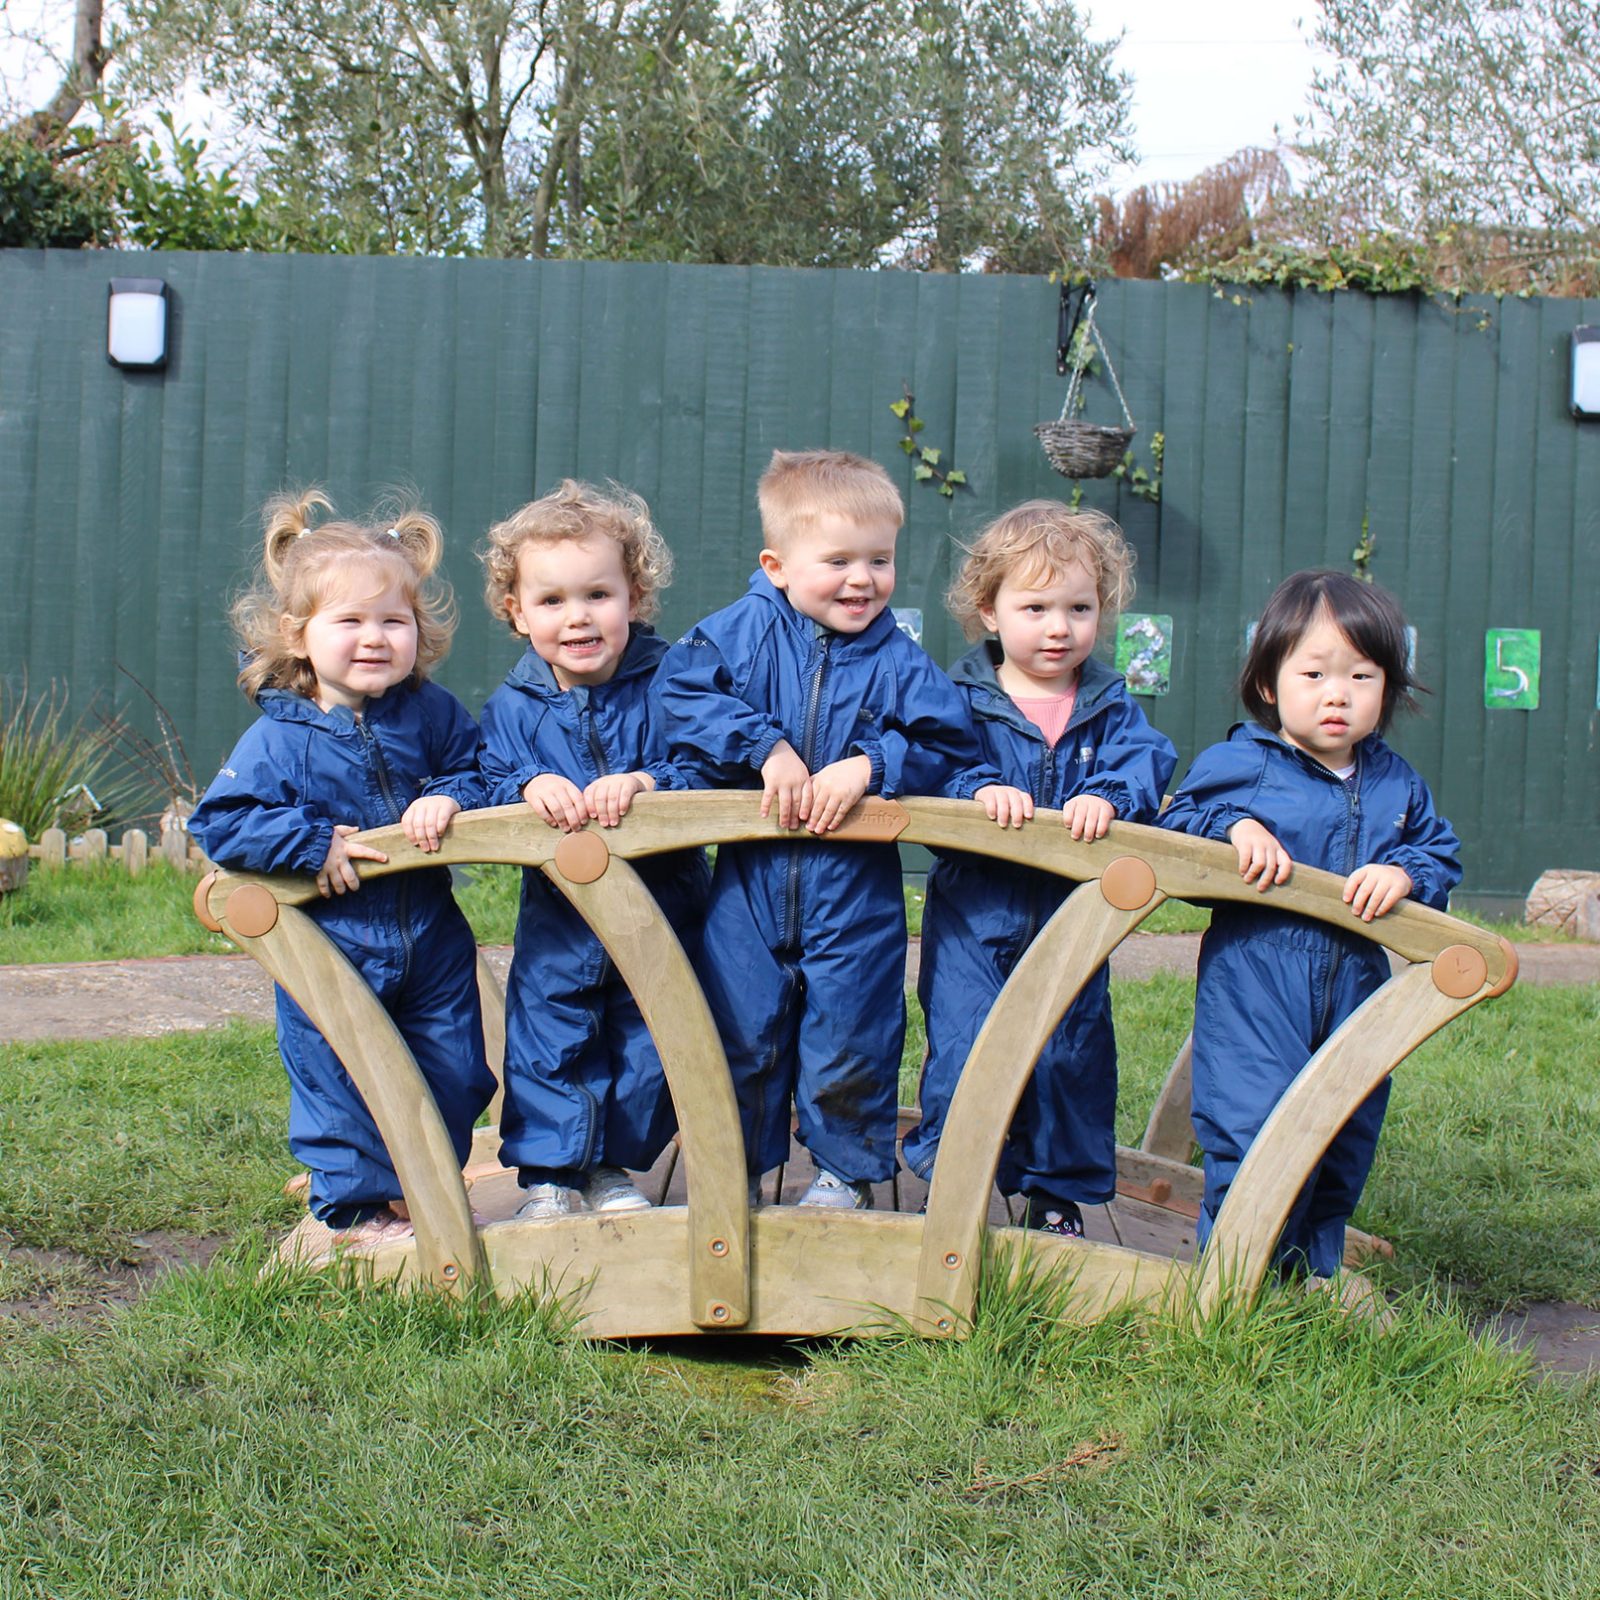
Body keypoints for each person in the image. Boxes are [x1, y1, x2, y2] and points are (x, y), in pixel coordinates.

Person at [656, 448, 980, 1208]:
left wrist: (870, 765)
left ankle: (844, 1176)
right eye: (837, 560)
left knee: (852, 1034)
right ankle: (728, 1173)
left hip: (856, 895)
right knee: (738, 1033)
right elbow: (678, 697)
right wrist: (763, 745)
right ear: (777, 565)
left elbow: (950, 742)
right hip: (746, 889)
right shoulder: (732, 638)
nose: (862, 579)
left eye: (879, 559)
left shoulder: (899, 660)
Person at [189, 491, 495, 1256]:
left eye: (393, 621)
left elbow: (487, 767)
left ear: (418, 633)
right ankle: (354, 1211)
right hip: (334, 946)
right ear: (300, 636)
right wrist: (311, 843)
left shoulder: (432, 715)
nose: (374, 638)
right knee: (335, 1076)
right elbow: (220, 823)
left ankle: (420, 1181)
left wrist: (451, 793)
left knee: (455, 1067)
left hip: (429, 938)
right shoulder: (279, 738)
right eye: (349, 622)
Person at [1161, 569, 1460, 1277]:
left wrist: (1408, 872)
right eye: (1316, 673)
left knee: (1343, 1131)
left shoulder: (1394, 783)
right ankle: (1234, 1281)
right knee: (1253, 1123)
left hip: (1356, 984)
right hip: (1257, 979)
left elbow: (1438, 851)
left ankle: (1305, 1282)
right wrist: (1235, 825)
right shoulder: (1242, 765)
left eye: (1362, 675)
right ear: (1270, 684)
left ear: (1386, 686)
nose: (1338, 694)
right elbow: (1177, 822)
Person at [900, 502, 1177, 1236]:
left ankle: (1053, 1193)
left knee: (1067, 1056)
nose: (1059, 628)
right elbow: (927, 760)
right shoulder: (959, 700)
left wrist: (1109, 795)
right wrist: (970, 789)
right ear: (989, 611)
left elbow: (1149, 762)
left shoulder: (1111, 707)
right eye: (1036, 607)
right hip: (974, 917)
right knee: (964, 1051)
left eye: (1079, 608)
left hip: (1070, 916)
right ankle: (955, 1185)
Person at [477, 480, 708, 1220]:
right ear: (516, 612)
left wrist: (648, 779)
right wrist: (527, 783)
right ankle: (550, 1174)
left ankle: (611, 1169)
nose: (577, 617)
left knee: (646, 1043)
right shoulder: (512, 709)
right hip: (561, 923)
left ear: (634, 597)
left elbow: (711, 763)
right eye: (551, 601)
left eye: (597, 595)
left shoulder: (675, 683)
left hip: (664, 912)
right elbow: (482, 776)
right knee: (552, 1036)